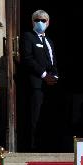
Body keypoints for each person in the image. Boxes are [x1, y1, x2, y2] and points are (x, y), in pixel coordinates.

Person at [19, 9, 58, 151]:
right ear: (32, 22)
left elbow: (53, 61)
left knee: (48, 116)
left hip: (50, 84)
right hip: (36, 83)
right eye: (37, 20)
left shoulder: (49, 41)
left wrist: (55, 76)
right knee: (34, 116)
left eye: (43, 20)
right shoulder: (28, 37)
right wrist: (44, 75)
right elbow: (28, 59)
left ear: (48, 23)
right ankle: (33, 147)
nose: (40, 22)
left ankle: (49, 144)